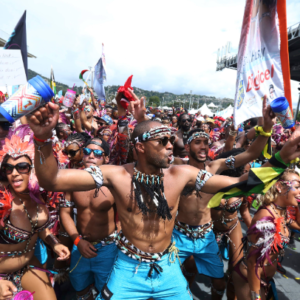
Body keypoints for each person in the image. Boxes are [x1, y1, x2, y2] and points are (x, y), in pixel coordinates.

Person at [26, 91, 300, 300]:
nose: (171, 146)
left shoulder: (181, 175)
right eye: (163, 141)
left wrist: (280, 158)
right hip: (127, 267)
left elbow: (240, 185)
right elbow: (53, 179)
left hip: (168, 267)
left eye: (172, 140)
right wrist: (42, 139)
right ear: (141, 148)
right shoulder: (115, 175)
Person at [173, 101, 275, 300]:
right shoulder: (177, 166)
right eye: (197, 142)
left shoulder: (215, 167)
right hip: (179, 235)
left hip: (206, 236)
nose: (203, 147)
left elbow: (251, 153)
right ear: (188, 146)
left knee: (219, 282)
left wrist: (267, 129)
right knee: (173, 280)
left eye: (206, 142)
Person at [0, 128, 70, 300]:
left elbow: (41, 229)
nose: (14, 173)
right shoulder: (2, 200)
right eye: (9, 168)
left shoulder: (39, 198)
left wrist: (54, 244)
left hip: (28, 265)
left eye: (22, 167)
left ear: (33, 169)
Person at [60, 137, 117, 299]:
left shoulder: (113, 182)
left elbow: (124, 213)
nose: (91, 156)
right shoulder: (72, 180)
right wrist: (77, 241)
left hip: (107, 249)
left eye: (98, 153)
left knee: (106, 292)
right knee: (80, 287)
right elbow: (65, 213)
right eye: (87, 151)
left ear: (106, 158)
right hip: (80, 246)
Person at [232, 169, 300, 300]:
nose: (299, 191)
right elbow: (252, 263)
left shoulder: (281, 211)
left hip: (265, 278)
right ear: (279, 187)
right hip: (250, 279)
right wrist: (256, 296)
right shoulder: (266, 218)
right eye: (297, 187)